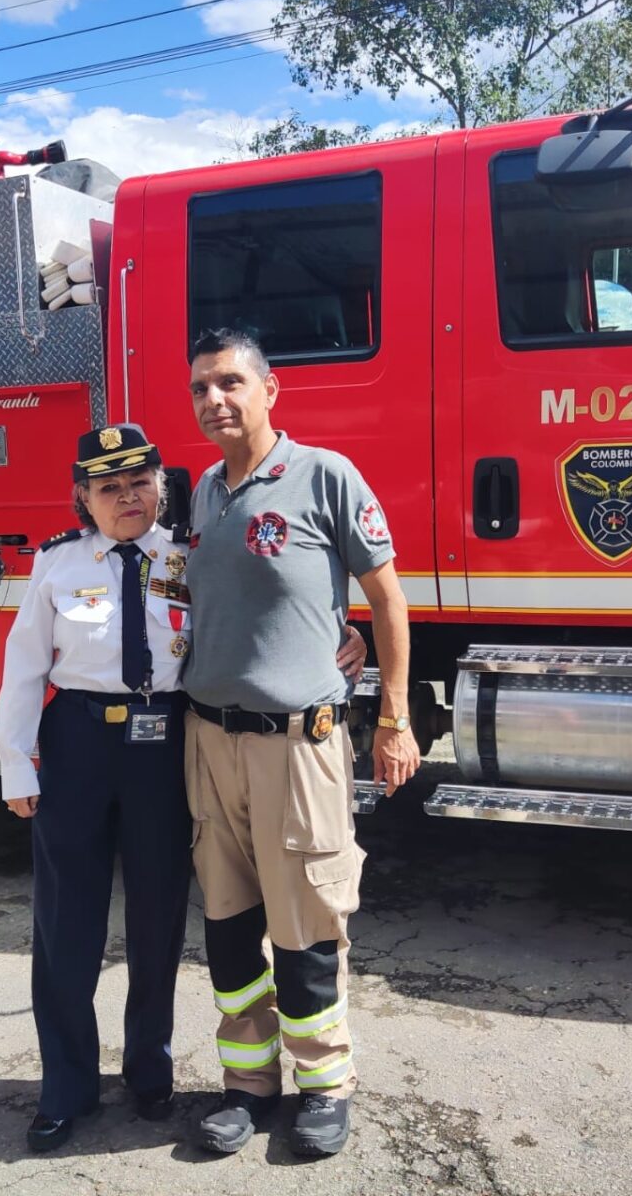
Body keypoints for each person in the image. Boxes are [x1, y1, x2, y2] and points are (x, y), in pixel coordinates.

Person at [0, 421, 368, 1154]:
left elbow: (266, 609)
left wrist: (341, 629)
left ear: (162, 488)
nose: (126, 498)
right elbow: (23, 668)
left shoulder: (194, 558)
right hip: (76, 742)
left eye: (140, 482)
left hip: (166, 743)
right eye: (108, 488)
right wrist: (16, 762)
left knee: (160, 919)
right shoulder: (59, 566)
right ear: (84, 499)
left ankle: (148, 1073)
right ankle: (66, 1088)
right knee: (67, 922)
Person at [182, 328, 421, 1159]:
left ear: (269, 389)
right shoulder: (204, 492)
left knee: (308, 924)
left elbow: (388, 603)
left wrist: (394, 717)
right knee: (228, 923)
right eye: (201, 388)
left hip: (297, 747)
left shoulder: (325, 476)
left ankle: (324, 1084)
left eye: (230, 382)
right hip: (210, 745)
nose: (215, 399)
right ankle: (248, 1086)